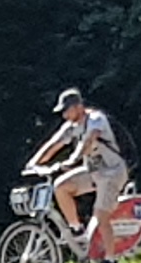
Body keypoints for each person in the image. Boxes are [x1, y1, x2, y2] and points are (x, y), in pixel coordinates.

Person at [27, 88, 128, 245]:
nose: (64, 115)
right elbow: (53, 145)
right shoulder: (71, 127)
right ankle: (77, 230)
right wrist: (33, 164)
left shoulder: (96, 119)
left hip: (112, 172)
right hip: (94, 172)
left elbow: (88, 141)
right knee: (60, 186)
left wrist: (72, 160)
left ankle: (107, 256)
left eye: (66, 111)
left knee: (99, 216)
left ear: (78, 107)